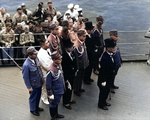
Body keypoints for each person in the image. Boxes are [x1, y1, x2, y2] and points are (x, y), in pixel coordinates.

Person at [22, 46, 44, 116]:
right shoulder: (26, 65)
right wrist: (29, 87)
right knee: (33, 97)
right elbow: (25, 77)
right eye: (34, 54)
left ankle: (36, 107)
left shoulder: (36, 59)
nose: (36, 55)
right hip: (33, 85)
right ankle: (32, 109)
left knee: (38, 96)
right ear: (30, 55)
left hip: (39, 82)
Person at [97, 38, 116, 110]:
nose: (114, 48)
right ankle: (101, 104)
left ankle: (104, 101)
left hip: (109, 77)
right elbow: (103, 70)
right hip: (104, 78)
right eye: (112, 47)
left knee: (107, 90)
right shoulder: (104, 57)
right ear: (109, 48)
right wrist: (103, 80)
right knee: (103, 91)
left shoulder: (111, 55)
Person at [46, 51, 65, 120]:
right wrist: (50, 94)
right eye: (59, 59)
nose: (60, 60)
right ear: (54, 60)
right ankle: (53, 117)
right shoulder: (51, 70)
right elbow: (48, 83)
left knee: (57, 103)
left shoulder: (58, 65)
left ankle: (56, 114)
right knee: (53, 104)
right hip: (55, 91)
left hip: (59, 89)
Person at [61, 38, 77, 109]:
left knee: (71, 88)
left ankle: (70, 99)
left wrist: (76, 70)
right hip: (67, 75)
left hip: (72, 74)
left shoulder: (72, 53)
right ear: (67, 48)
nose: (72, 48)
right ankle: (66, 102)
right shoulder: (64, 56)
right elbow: (64, 68)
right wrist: (66, 78)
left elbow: (75, 62)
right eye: (70, 47)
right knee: (67, 89)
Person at [73, 29, 89, 96]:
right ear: (79, 36)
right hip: (79, 65)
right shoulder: (76, 46)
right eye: (84, 36)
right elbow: (77, 56)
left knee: (81, 77)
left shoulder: (82, 43)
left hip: (84, 64)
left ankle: (79, 87)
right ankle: (76, 90)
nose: (85, 37)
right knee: (78, 78)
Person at [37, 39, 53, 105]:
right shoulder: (40, 54)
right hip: (45, 72)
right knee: (45, 85)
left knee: (49, 85)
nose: (48, 44)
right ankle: (44, 98)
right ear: (42, 45)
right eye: (47, 43)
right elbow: (45, 65)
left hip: (51, 70)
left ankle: (49, 96)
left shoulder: (48, 50)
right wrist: (52, 68)